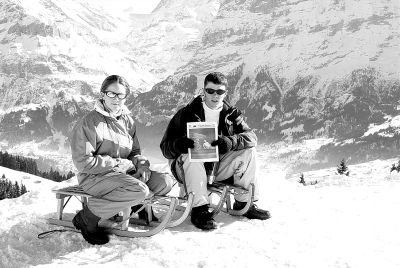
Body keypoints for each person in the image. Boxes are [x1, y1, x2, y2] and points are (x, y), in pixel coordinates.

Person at [160, 72, 271, 231]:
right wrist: (180, 145)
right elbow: (165, 147)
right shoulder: (186, 113)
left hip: (216, 168)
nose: (215, 95)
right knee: (192, 154)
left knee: (249, 151)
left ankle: (244, 202)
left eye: (219, 91)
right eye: (210, 91)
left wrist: (231, 141)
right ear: (203, 91)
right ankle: (199, 209)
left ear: (226, 93)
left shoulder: (231, 114)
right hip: (186, 168)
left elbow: (251, 137)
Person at [71, 75, 174, 245]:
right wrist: (118, 163)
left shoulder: (127, 120)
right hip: (95, 177)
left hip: (122, 175)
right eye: (111, 94)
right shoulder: (89, 123)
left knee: (164, 182)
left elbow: (134, 151)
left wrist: (141, 165)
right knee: (140, 190)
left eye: (121, 95)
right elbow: (83, 162)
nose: (116, 99)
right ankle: (86, 217)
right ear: (103, 94)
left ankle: (128, 206)